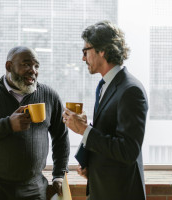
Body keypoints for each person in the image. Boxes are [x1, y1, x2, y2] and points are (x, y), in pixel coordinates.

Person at [0, 46, 70, 200]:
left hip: (34, 188)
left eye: (36, 66)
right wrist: (7, 125)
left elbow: (61, 137)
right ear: (9, 66)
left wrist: (59, 175)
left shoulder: (49, 96)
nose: (33, 70)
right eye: (26, 64)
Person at [62, 20, 148, 200]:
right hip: (102, 188)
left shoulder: (131, 91)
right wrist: (90, 163)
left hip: (120, 193)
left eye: (85, 51)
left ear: (102, 50)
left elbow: (128, 150)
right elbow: (110, 133)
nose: (83, 58)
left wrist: (84, 130)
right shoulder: (104, 85)